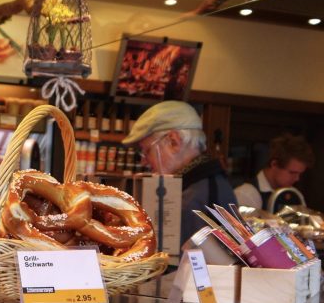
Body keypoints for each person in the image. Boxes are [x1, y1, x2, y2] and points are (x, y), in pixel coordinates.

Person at [122, 100, 237, 245]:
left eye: (147, 151)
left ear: (173, 141)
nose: (143, 162)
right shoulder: (201, 185)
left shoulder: (198, 197)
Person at [234, 133, 314, 211]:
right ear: (274, 164)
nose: (297, 179)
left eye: (299, 174)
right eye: (292, 173)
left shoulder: (295, 196)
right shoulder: (246, 194)